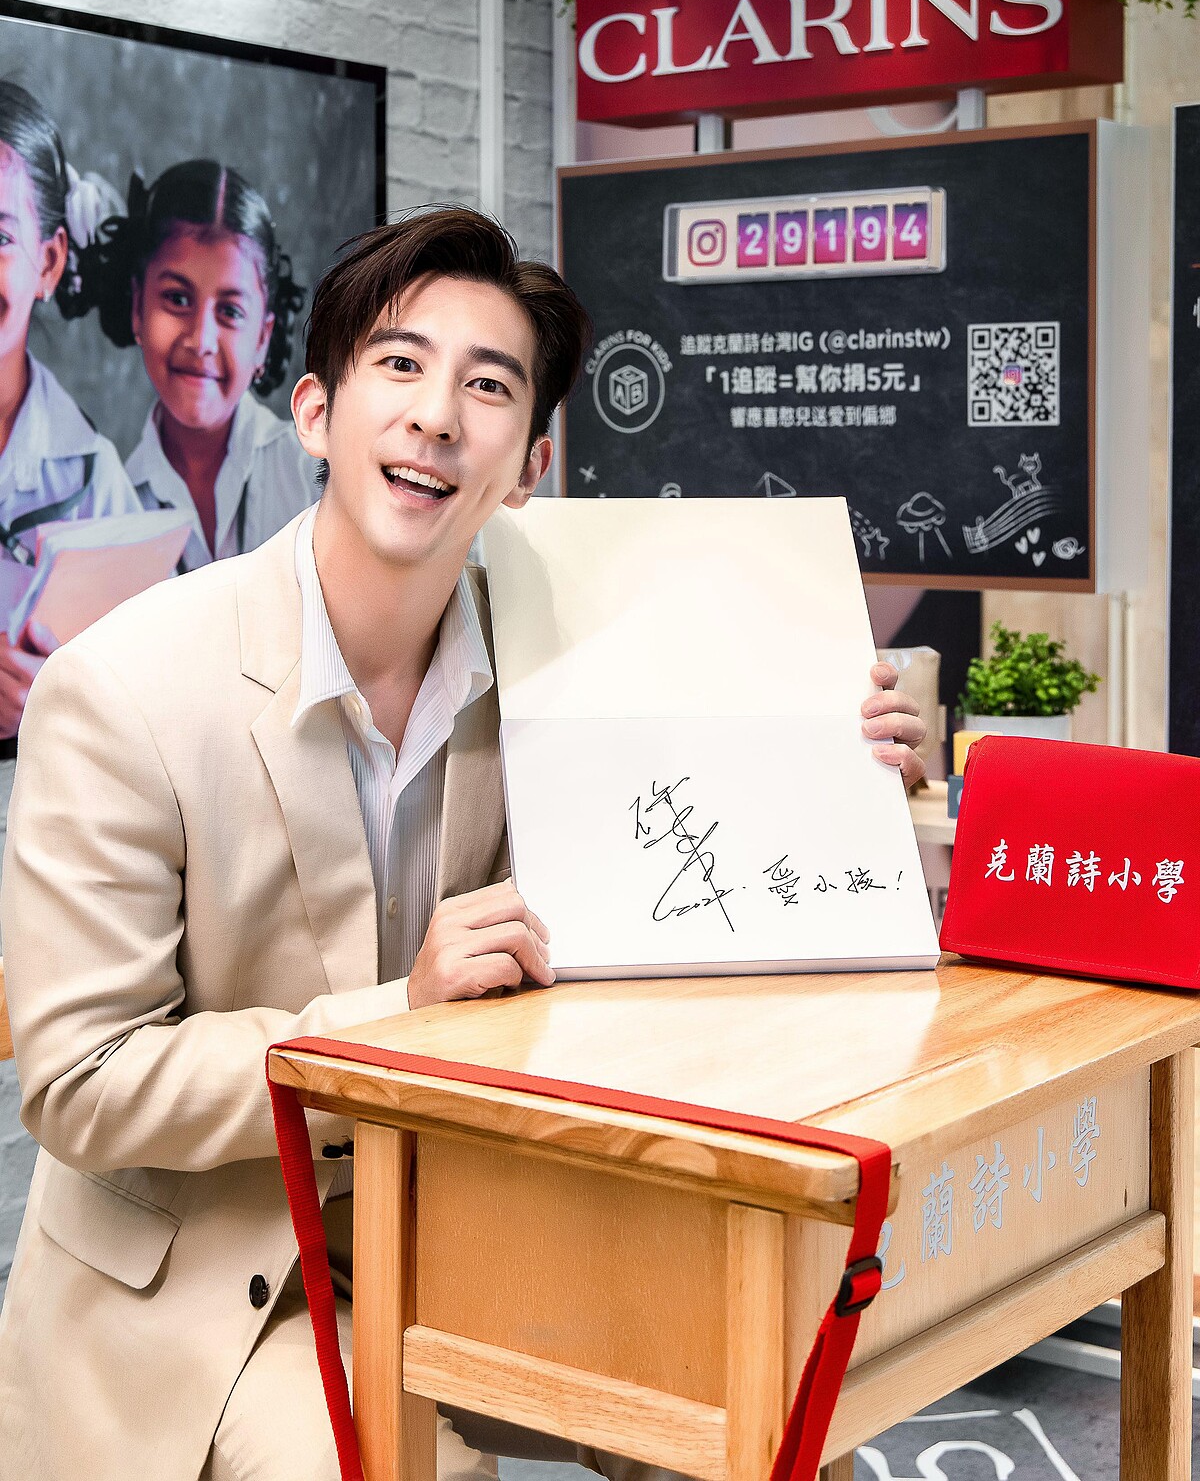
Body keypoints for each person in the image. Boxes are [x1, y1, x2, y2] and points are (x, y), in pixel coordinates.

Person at [0, 205, 927, 1481]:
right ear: (315, 412)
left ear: (529, 464)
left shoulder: (557, 658)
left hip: (469, 1226)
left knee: (767, 1423)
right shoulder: (123, 689)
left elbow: (691, 870)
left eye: (487, 385)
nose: (438, 414)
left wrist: (839, 763)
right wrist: (398, 1015)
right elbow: (80, 1079)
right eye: (400, 363)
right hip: (210, 1279)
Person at [82, 158, 318, 571]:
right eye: (177, 299)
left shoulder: (316, 477)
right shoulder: (112, 509)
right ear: (137, 307)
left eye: (230, 311)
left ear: (262, 338)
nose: (200, 341)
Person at [0, 81, 141, 743]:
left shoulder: (94, 482)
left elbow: (149, 694)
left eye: (0, 235)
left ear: (49, 262)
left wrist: (59, 697)